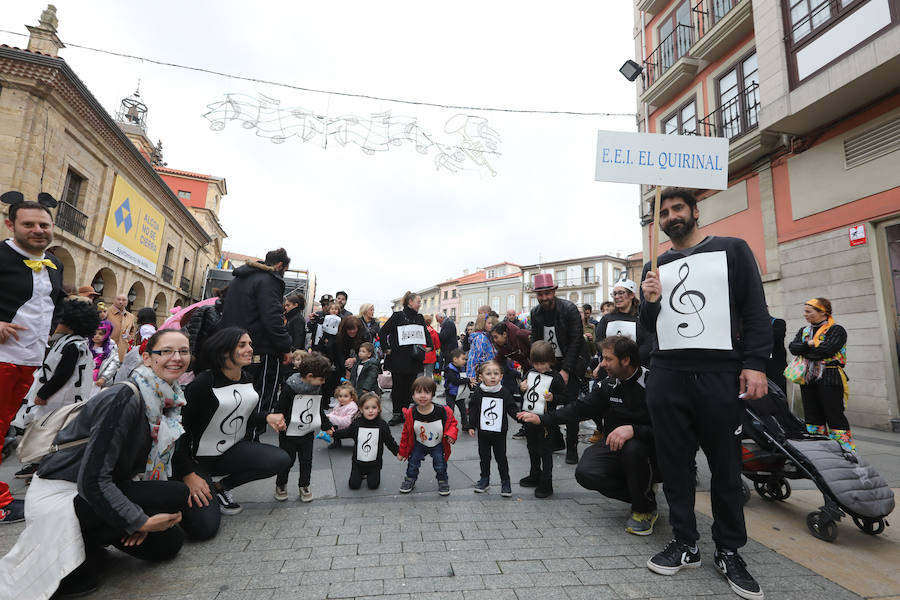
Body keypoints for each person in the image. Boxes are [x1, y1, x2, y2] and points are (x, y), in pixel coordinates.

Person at [639, 188, 769, 599]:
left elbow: (755, 310)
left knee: (726, 469)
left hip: (720, 375)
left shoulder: (733, 249)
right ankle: (685, 543)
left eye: (678, 208)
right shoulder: (655, 264)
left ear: (695, 212)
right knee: (675, 465)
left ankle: (729, 549)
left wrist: (756, 363)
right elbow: (646, 329)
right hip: (667, 375)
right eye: (663, 212)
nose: (671, 216)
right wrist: (650, 301)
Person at [8, 329, 193, 597]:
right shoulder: (124, 398)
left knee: (169, 543)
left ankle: (96, 538)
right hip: (66, 490)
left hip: (101, 488)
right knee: (175, 494)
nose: (177, 358)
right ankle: (84, 543)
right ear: (147, 358)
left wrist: (137, 516)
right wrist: (138, 520)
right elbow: (92, 480)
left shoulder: (167, 398)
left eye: (184, 351)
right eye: (166, 351)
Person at [521, 336, 658, 535]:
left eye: (607, 359)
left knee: (633, 449)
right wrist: (541, 419)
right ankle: (644, 496)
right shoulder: (608, 384)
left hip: (650, 447)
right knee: (586, 473)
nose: (602, 364)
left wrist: (635, 430)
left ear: (626, 360)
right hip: (612, 443)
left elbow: (671, 427)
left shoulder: (653, 383)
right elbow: (578, 409)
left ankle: (642, 509)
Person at [176, 328, 291, 537]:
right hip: (197, 461)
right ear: (224, 351)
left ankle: (221, 487)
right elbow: (179, 430)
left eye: (249, 344)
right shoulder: (203, 383)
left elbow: (240, 414)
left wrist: (265, 417)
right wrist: (188, 474)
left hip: (230, 451)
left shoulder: (247, 377)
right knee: (205, 529)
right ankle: (193, 489)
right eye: (242, 345)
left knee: (281, 459)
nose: (250, 349)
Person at [0, 194, 66, 524]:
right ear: (11, 224)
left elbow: (56, 307)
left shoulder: (55, 264)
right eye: (29, 224)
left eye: (44, 224)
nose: (38, 230)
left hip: (28, 361)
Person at [12, 298, 97, 481]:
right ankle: (41, 462)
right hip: (58, 397)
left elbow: (63, 374)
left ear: (70, 324)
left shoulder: (73, 346)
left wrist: (43, 394)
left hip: (60, 398)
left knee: (50, 430)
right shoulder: (71, 342)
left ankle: (43, 463)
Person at [219, 248, 293, 439]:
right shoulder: (270, 280)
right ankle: (251, 438)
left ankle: (233, 437)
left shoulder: (241, 278)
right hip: (262, 348)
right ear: (279, 266)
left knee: (238, 394)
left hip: (234, 345)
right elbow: (272, 317)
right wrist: (285, 346)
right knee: (261, 395)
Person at [529, 273, 584, 465]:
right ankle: (556, 439)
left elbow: (576, 340)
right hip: (547, 363)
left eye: (547, 293)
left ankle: (572, 447)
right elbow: (535, 341)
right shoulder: (535, 313)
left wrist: (566, 370)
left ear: (554, 291)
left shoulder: (569, 310)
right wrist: (534, 370)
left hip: (570, 362)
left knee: (570, 406)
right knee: (547, 404)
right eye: (540, 294)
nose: (544, 298)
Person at [591, 278, 655, 444]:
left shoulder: (641, 318)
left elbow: (648, 343)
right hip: (611, 371)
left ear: (632, 295)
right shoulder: (607, 319)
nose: (617, 297)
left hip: (637, 372)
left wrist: (630, 363)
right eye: (615, 293)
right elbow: (599, 342)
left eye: (621, 293)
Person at [788, 298, 853, 452]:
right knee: (812, 416)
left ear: (823, 312)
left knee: (834, 415)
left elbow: (826, 350)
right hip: (808, 378)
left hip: (830, 377)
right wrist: (808, 345)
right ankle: (819, 450)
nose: (805, 315)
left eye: (808, 311)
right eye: (805, 311)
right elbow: (793, 348)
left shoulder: (836, 330)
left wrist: (805, 350)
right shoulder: (804, 330)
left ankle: (844, 451)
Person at [273, 352, 334, 502]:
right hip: (288, 432)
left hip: (307, 431)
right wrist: (279, 421)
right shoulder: (290, 388)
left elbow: (318, 408)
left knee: (307, 460)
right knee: (287, 460)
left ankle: (304, 485)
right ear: (309, 376)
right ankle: (281, 484)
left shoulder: (316, 388)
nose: (323, 382)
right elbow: (279, 408)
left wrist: (326, 426)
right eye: (321, 379)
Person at [517, 341, 567, 498]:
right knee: (532, 448)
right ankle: (534, 474)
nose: (539, 367)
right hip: (530, 419)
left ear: (551, 360)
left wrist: (553, 398)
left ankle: (546, 482)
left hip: (546, 421)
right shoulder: (530, 373)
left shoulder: (556, 377)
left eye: (543, 363)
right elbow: (524, 393)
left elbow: (565, 398)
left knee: (545, 452)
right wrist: (522, 388)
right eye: (536, 363)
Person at [397, 376, 458, 495]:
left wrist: (451, 435)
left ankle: (442, 480)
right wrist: (402, 452)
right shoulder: (412, 413)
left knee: (440, 463)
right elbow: (406, 434)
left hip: (437, 443)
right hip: (419, 443)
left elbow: (452, 424)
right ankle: (410, 479)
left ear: (433, 394)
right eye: (419, 392)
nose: (423, 396)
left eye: (427, 392)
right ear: (413, 395)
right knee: (413, 462)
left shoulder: (441, 411)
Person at [466, 360, 518, 497]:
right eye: (488, 374)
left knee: (501, 457)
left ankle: (505, 481)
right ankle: (484, 479)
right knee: (484, 457)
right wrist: (471, 425)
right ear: (481, 377)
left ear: (501, 376)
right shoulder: (478, 392)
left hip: (499, 432)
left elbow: (512, 408)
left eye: (496, 373)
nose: (493, 376)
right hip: (483, 432)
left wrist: (520, 417)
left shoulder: (504, 392)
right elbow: (473, 410)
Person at [380, 292, 431, 426]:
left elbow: (425, 332)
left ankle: (405, 412)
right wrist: (386, 348)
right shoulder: (398, 316)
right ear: (410, 302)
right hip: (398, 357)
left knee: (410, 387)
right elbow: (383, 331)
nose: (420, 305)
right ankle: (397, 413)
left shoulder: (419, 317)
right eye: (418, 302)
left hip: (413, 358)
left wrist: (430, 345)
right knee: (397, 387)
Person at [332, 392, 399, 490]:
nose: (370, 411)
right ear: (361, 409)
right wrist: (333, 433)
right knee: (354, 485)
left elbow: (389, 441)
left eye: (374, 407)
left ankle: (371, 474)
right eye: (367, 408)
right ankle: (360, 474)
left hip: (375, 463)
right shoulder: (357, 424)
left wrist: (398, 452)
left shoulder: (382, 425)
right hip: (358, 463)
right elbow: (346, 432)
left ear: (379, 409)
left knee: (373, 485)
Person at [116, 307, 159, 384]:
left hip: (139, 359)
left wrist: (137, 352)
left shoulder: (146, 328)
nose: (137, 317)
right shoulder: (149, 327)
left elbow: (146, 343)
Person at [89, 321, 120, 398]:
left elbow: (114, 364)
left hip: (101, 382)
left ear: (107, 334)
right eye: (94, 333)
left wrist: (104, 378)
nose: (96, 336)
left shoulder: (111, 347)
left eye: (100, 334)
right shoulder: (86, 345)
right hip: (86, 379)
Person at [326, 382, 359, 449]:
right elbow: (333, 413)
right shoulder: (339, 405)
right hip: (341, 426)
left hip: (351, 428)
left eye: (345, 396)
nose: (342, 398)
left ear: (351, 398)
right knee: (330, 427)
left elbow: (347, 421)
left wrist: (331, 418)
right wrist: (328, 417)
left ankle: (358, 444)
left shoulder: (352, 407)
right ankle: (336, 442)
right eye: (340, 396)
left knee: (355, 432)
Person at [443, 349, 470, 429]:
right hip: (450, 393)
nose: (464, 361)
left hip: (459, 393)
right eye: (463, 359)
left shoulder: (461, 368)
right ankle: (448, 425)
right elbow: (455, 381)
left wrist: (469, 381)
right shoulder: (449, 369)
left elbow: (463, 378)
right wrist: (468, 380)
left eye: (465, 359)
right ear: (455, 359)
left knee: (463, 410)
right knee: (450, 411)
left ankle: (465, 425)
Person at [465, 314, 497, 381]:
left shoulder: (487, 336)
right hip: (483, 373)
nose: (491, 325)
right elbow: (480, 357)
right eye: (489, 323)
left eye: (492, 323)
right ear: (482, 324)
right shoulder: (481, 338)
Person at [107, 293, 135, 363]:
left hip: (122, 352)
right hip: (107, 349)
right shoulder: (106, 312)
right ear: (114, 300)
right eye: (118, 299)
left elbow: (132, 331)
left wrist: (129, 338)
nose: (121, 302)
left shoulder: (130, 316)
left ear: (127, 302)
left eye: (124, 300)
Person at [767, 314, 788, 395]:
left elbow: (777, 336)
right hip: (761, 366)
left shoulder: (778, 322)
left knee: (779, 393)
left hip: (776, 366)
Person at [422, 314, 441, 378]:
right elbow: (438, 346)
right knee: (429, 374)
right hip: (431, 356)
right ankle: (428, 388)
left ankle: (419, 387)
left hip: (420, 355)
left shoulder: (420, 331)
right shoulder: (433, 332)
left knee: (419, 375)